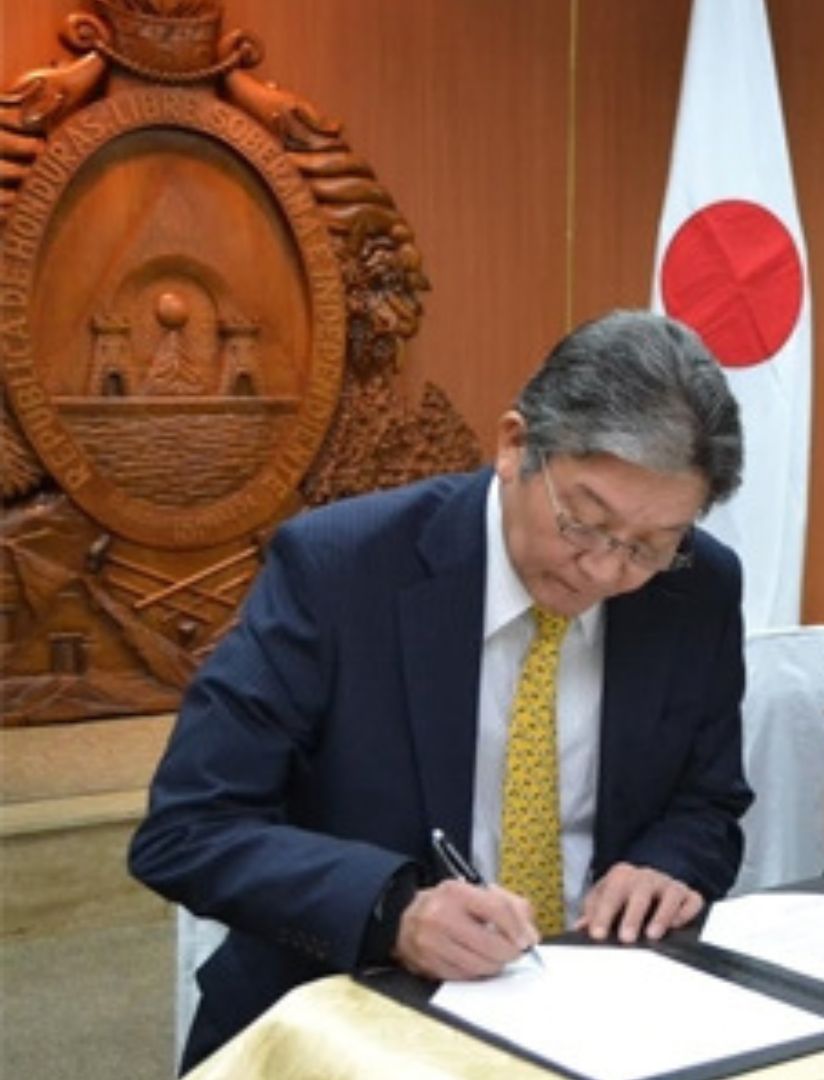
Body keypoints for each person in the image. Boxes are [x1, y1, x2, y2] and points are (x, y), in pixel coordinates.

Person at [129, 311, 754, 1070]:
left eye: (649, 547)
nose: (604, 571)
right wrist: (392, 911)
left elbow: (707, 801)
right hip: (351, 1018)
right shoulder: (340, 571)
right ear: (515, 445)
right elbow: (189, 827)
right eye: (584, 523)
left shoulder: (697, 588)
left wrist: (667, 864)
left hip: (599, 1015)